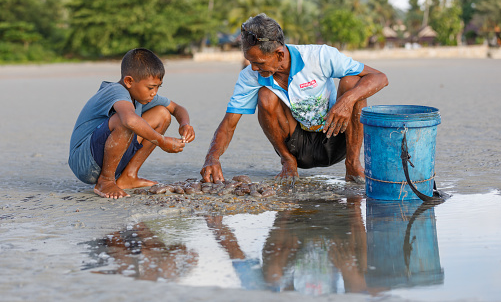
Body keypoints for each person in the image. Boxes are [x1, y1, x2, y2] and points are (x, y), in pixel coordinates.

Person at [200, 13, 388, 184]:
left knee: (353, 82)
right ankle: (288, 162)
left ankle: (353, 165)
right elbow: (229, 123)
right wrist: (212, 158)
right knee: (265, 95)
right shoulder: (249, 76)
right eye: (250, 62)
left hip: (337, 137)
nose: (254, 68)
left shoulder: (319, 56)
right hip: (297, 149)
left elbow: (380, 77)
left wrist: (347, 100)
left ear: (279, 54)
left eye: (259, 62)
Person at [69, 48, 195, 199]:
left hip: (104, 157)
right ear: (129, 81)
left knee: (162, 113)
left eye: (157, 87)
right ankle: (106, 181)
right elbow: (129, 120)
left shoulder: (141, 96)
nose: (154, 93)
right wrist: (162, 141)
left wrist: (185, 124)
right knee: (127, 121)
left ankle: (128, 176)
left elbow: (176, 108)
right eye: (150, 87)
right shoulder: (116, 91)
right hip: (85, 162)